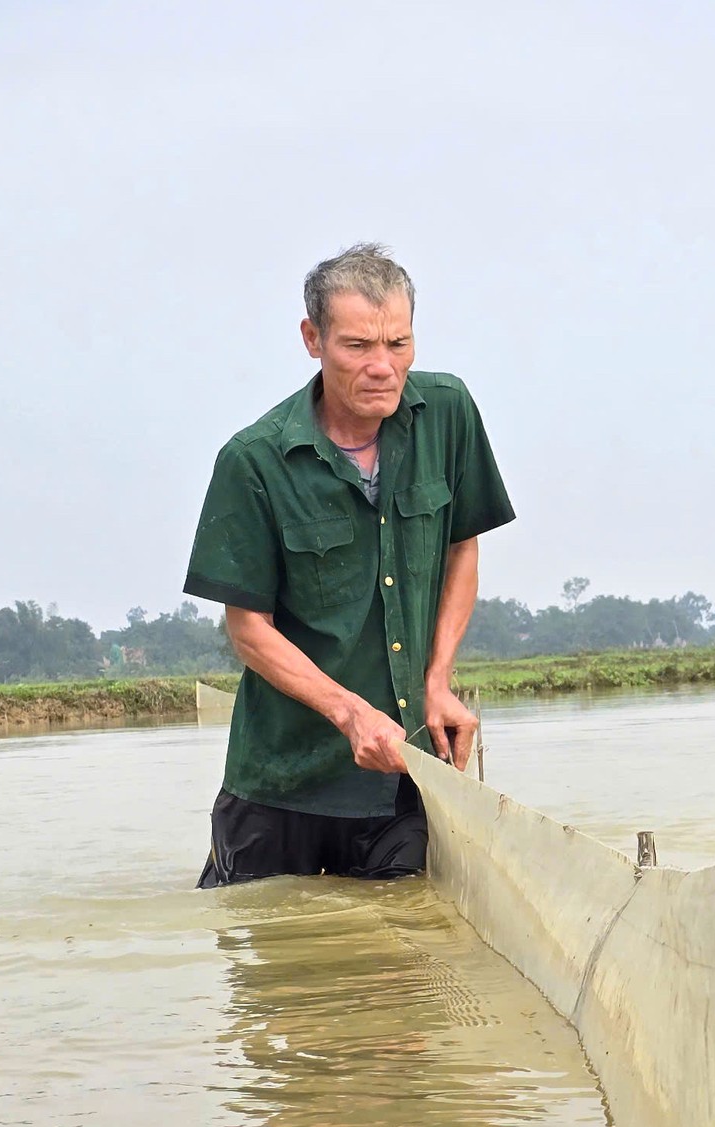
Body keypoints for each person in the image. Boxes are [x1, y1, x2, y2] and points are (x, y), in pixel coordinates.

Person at [184, 243, 515, 886]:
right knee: (273, 970)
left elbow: (462, 547)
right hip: (282, 781)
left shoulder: (446, 414)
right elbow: (248, 627)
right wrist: (349, 712)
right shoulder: (253, 461)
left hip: (402, 777)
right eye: (359, 346)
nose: (383, 367)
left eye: (398, 343)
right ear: (313, 339)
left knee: (403, 966)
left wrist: (438, 679)